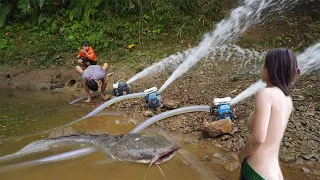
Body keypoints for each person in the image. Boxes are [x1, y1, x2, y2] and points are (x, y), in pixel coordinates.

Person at [238, 48, 300, 180]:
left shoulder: (265, 94)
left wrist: (241, 155)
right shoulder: (287, 100)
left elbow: (258, 139)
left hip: (256, 172)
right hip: (274, 174)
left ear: (270, 69)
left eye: (265, 65)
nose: (263, 68)